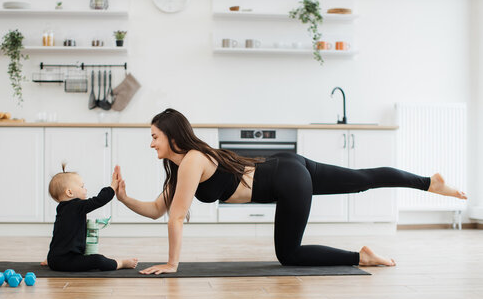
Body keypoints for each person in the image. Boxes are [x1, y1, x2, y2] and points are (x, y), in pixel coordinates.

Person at [115, 108, 468, 275]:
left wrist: (172, 263)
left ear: (172, 137)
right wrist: (124, 197)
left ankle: (360, 256)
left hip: (286, 180)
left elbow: (176, 217)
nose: (151, 143)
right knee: (361, 179)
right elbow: (158, 209)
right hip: (287, 166)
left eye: (154, 137)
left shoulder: (191, 159)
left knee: (290, 253)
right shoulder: (184, 166)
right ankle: (428, 182)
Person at [42, 163, 138, 272]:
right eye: (82, 186)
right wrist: (112, 187)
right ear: (69, 192)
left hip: (54, 259)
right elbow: (99, 200)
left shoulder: (62, 208)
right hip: (68, 260)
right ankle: (119, 263)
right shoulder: (76, 206)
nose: (85, 189)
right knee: (98, 260)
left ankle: (52, 261)